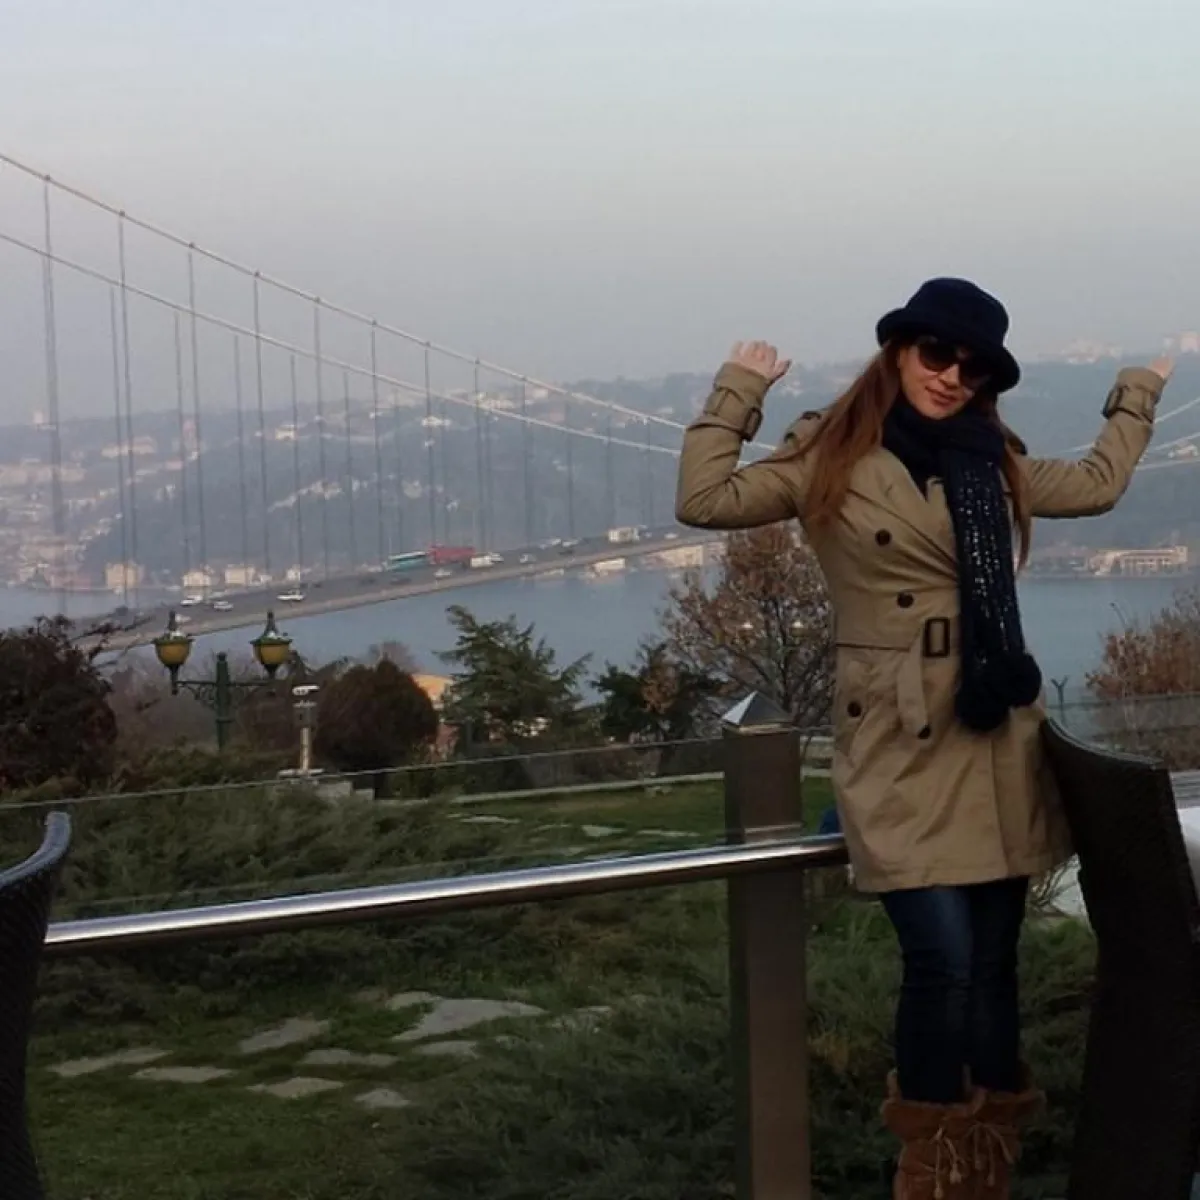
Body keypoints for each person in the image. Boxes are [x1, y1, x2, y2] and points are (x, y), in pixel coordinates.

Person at [675, 277, 1174, 1200]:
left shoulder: (996, 461)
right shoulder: (826, 456)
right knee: (940, 958)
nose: (951, 376)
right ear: (900, 351)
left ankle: (987, 1164)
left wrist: (1136, 393)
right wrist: (737, 393)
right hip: (896, 736)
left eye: (973, 368)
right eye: (937, 353)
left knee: (994, 963)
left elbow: (1100, 486)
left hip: (994, 729)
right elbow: (704, 499)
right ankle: (934, 1163)